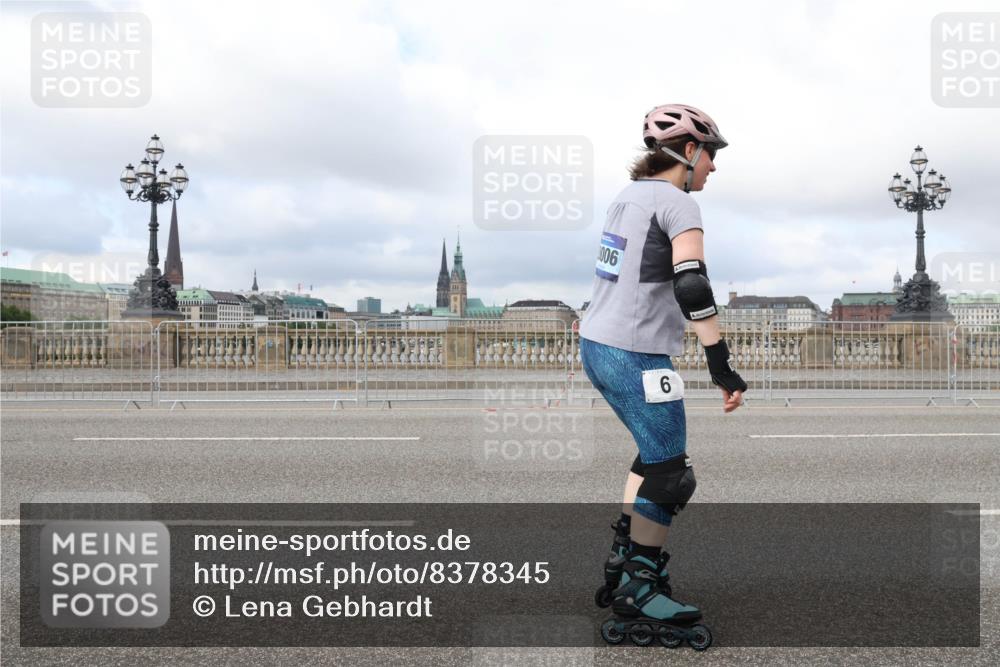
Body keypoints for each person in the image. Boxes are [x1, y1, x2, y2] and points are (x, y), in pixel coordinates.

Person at [580, 103, 747, 649]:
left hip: (598, 345)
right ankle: (638, 587)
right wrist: (721, 364)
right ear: (689, 152)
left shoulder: (623, 198)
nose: (714, 169)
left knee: (652, 459)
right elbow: (692, 286)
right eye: (712, 156)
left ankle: (625, 557)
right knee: (672, 473)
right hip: (636, 355)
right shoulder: (678, 203)